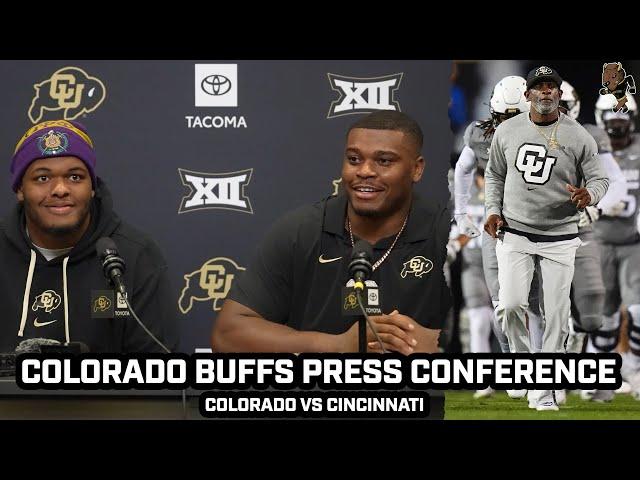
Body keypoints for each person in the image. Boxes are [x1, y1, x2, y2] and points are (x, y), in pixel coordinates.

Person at [212, 111, 451, 354]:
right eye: (354, 159)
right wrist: (338, 345)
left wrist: (437, 345)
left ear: (416, 169)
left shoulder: (447, 234)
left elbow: (484, 324)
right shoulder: (302, 230)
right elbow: (228, 334)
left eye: (384, 161)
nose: (364, 171)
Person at [484, 66, 609, 411]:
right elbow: (494, 174)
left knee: (556, 314)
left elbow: (600, 179)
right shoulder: (507, 130)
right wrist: (491, 210)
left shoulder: (578, 135)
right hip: (516, 231)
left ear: (559, 94)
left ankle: (543, 390)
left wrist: (590, 194)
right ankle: (524, 368)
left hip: (560, 235)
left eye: (550, 87)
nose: (545, 93)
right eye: (538, 87)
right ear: (527, 96)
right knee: (509, 305)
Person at [0, 120, 179, 353]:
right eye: (42, 178)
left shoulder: (133, 255)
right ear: (20, 190)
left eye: (75, 177)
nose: (60, 189)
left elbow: (157, 367)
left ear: (92, 187)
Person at [454, 75, 539, 399]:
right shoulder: (480, 134)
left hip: (538, 227)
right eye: (504, 117)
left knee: (538, 303)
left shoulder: (553, 131)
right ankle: (520, 366)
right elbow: (463, 169)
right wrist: (461, 213)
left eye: (514, 117)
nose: (508, 125)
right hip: (498, 227)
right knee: (502, 302)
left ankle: (544, 371)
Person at [584, 93, 640, 401]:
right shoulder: (591, 149)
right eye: (613, 119)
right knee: (604, 317)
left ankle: (634, 366)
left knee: (638, 311)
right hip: (599, 239)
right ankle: (597, 376)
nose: (618, 126)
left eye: (623, 118)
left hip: (634, 241)